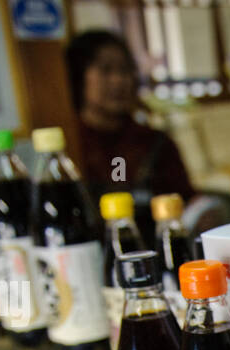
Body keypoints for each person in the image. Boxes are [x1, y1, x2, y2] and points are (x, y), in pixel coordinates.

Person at [65, 30, 194, 233]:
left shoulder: (155, 142)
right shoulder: (69, 145)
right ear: (78, 77)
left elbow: (188, 203)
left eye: (125, 70)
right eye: (106, 70)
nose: (118, 80)